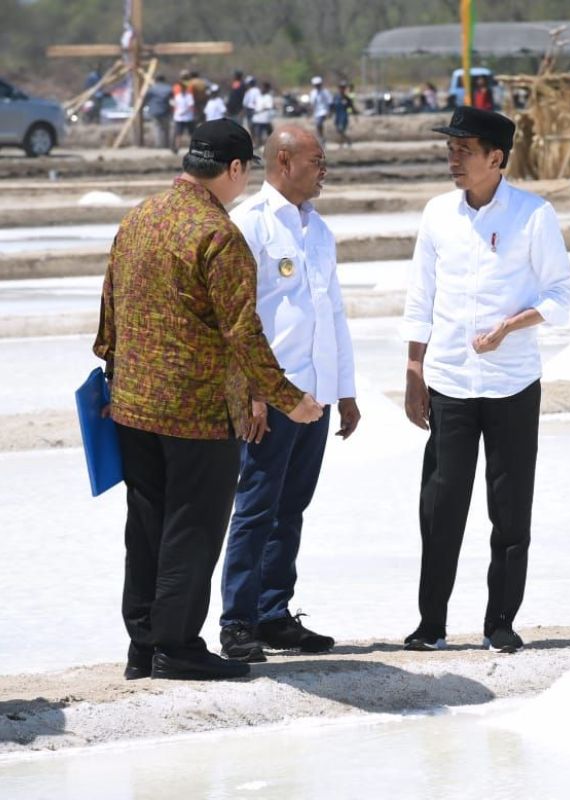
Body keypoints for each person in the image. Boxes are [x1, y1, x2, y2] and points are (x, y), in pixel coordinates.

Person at [93, 119, 323, 682]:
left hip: (132, 407)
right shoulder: (219, 235)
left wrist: (114, 375)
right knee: (192, 530)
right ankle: (177, 646)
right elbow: (243, 335)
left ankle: (143, 645)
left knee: (146, 525)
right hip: (195, 414)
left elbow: (109, 315)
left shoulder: (138, 218)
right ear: (236, 169)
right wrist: (288, 399)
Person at [402, 107, 570, 654]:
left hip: (513, 383)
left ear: (496, 158)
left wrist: (510, 326)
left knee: (510, 506)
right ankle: (432, 623)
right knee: (440, 505)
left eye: (464, 150)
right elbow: (419, 298)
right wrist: (413, 369)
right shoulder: (437, 215)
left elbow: (561, 296)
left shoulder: (534, 215)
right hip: (450, 380)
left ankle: (501, 619)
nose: (453, 158)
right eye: (450, 149)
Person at [218, 127, 359, 662]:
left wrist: (345, 392)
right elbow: (238, 319)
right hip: (272, 398)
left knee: (291, 508)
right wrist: (253, 392)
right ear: (283, 160)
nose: (324, 169)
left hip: (316, 396)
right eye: (316, 160)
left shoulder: (318, 231)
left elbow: (334, 314)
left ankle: (274, 612)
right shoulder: (250, 225)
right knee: (255, 506)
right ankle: (238, 621)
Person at [143, 74, 173, 149]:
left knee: (157, 128)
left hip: (154, 111)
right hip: (165, 110)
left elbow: (146, 98)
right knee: (166, 128)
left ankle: (159, 145)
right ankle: (166, 144)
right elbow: (172, 98)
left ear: (156, 80)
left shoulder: (152, 88)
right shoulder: (168, 88)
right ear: (164, 80)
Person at [171, 76, 196, 154]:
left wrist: (184, 111)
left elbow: (190, 106)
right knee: (178, 134)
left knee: (191, 134)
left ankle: (193, 149)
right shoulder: (177, 96)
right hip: (179, 118)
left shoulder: (189, 96)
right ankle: (177, 148)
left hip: (188, 118)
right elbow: (175, 105)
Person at [331, 81, 356, 148]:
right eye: (341, 87)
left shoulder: (347, 98)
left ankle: (341, 145)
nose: (342, 89)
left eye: (343, 88)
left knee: (341, 129)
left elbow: (351, 107)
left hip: (344, 116)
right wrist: (330, 113)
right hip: (337, 116)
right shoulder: (336, 97)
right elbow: (332, 106)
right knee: (338, 130)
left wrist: (354, 114)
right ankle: (348, 140)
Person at [251, 81, 275, 148]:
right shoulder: (259, 96)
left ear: (267, 89)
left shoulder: (268, 97)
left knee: (269, 133)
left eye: (263, 88)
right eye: (261, 87)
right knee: (257, 132)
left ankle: (269, 145)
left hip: (265, 119)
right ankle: (258, 144)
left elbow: (268, 107)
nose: (262, 89)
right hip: (257, 118)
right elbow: (255, 105)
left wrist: (260, 110)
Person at [310, 76, 333, 146]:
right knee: (318, 126)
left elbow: (330, 102)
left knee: (319, 124)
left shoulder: (325, 92)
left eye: (318, 84)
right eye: (316, 85)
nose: (317, 86)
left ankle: (322, 139)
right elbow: (312, 103)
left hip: (324, 111)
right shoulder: (313, 93)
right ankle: (321, 138)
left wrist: (329, 111)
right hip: (316, 112)